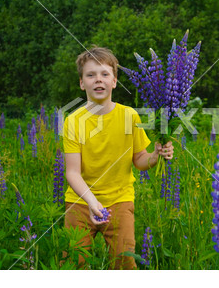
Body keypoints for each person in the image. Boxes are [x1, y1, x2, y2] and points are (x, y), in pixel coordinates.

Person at [63, 46, 173, 269]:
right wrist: (93, 203)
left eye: (105, 74)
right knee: (73, 262)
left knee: (124, 262)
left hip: (120, 200)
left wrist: (155, 156)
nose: (98, 80)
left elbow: (140, 159)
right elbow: (72, 172)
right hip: (81, 201)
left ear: (114, 81)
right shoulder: (73, 120)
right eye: (91, 75)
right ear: (82, 83)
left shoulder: (129, 116)